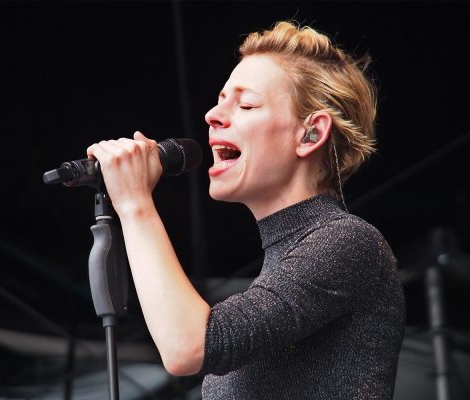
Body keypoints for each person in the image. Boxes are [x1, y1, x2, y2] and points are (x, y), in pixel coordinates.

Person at [87, 21, 405, 400]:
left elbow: (189, 348)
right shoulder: (282, 268)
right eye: (220, 100)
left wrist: (136, 205)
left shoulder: (348, 242)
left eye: (247, 104)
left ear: (311, 134)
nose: (212, 115)